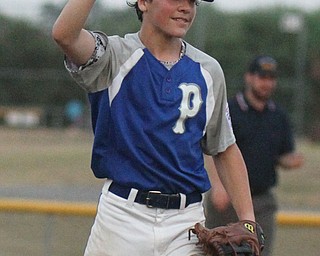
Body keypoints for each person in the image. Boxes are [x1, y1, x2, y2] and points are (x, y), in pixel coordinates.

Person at [52, 0, 257, 255]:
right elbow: (65, 35)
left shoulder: (208, 70)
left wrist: (248, 219)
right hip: (122, 216)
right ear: (144, 2)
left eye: (192, 2)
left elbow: (223, 148)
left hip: (186, 223)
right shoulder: (114, 56)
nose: (186, 8)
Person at [203, 55, 304, 256]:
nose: (266, 83)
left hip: (261, 202)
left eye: (271, 78)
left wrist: (290, 161)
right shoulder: (230, 109)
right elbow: (213, 150)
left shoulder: (279, 116)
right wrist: (218, 186)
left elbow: (281, 155)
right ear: (249, 78)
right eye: (261, 77)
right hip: (227, 201)